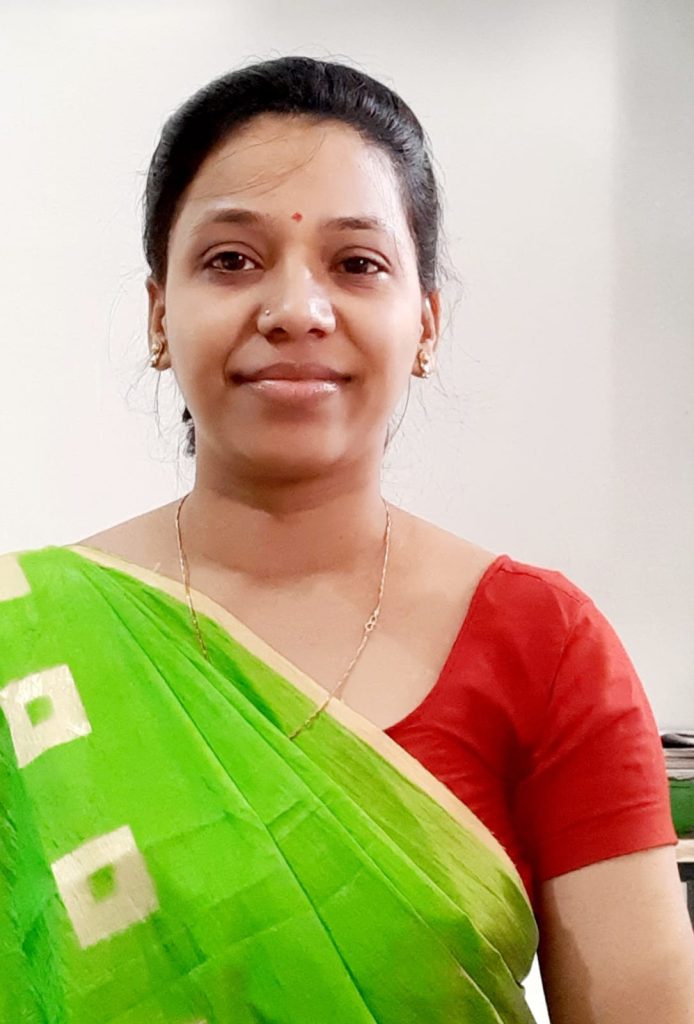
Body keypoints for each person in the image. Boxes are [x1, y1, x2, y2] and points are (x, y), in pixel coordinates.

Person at [1, 56, 692, 1024]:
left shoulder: (547, 645)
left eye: (357, 264)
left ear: (425, 325)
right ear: (160, 316)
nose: (296, 311)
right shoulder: (24, 646)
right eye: (231, 260)